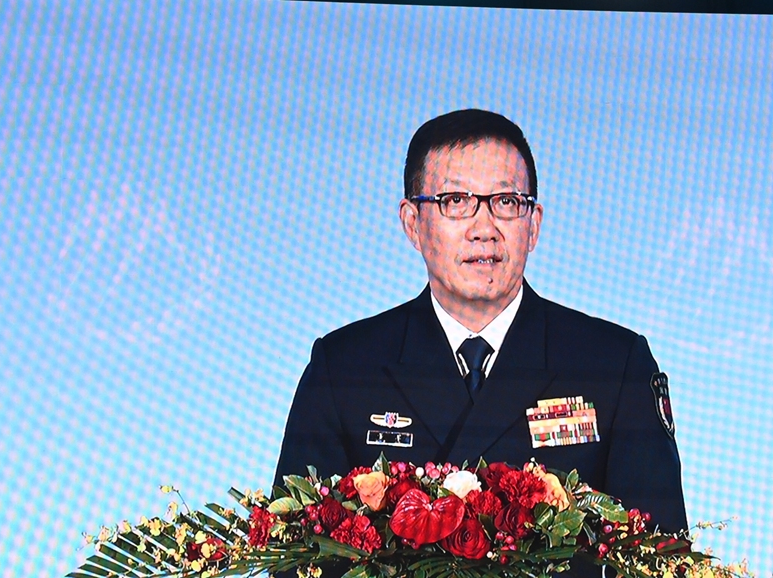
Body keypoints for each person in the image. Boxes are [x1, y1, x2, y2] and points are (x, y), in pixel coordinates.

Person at [274, 108, 688, 546]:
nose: (484, 228)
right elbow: (294, 555)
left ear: (533, 226)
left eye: (507, 203)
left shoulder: (613, 364)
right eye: (455, 201)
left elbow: (662, 556)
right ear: (412, 224)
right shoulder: (343, 368)